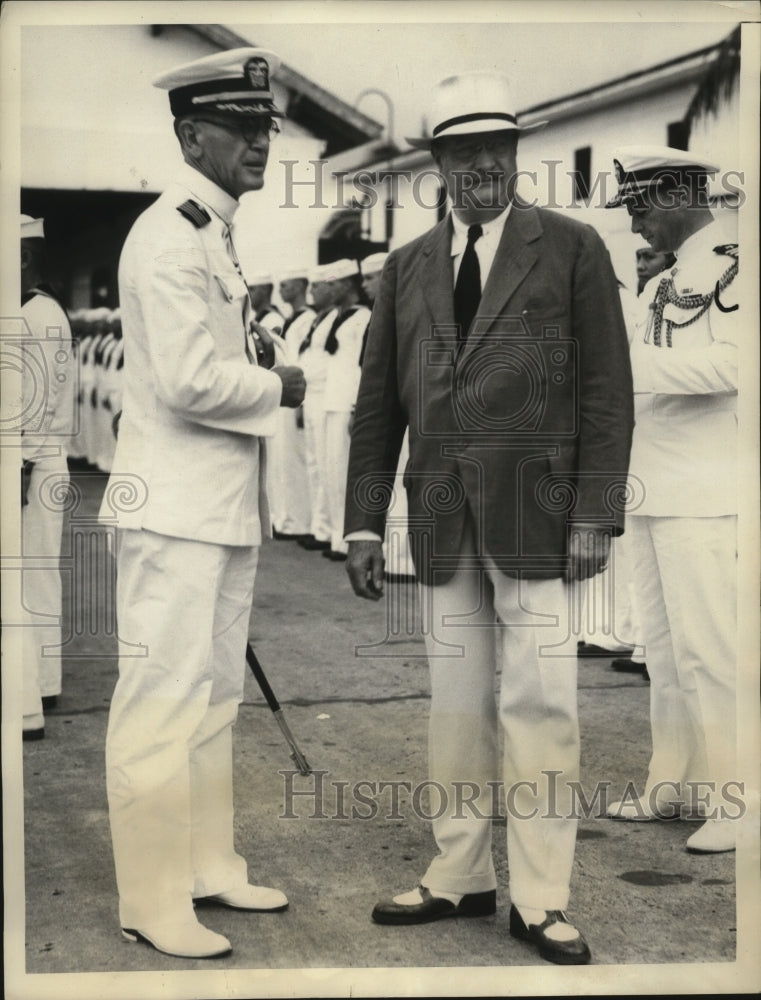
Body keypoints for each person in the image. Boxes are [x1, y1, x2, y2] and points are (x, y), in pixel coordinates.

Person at [344, 72, 633, 965]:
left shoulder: (574, 248)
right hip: (437, 516)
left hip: (542, 517)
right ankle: (458, 873)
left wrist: (595, 513)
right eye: (466, 151)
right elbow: (376, 403)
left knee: (541, 703)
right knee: (455, 705)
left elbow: (606, 390)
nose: (485, 165)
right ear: (437, 163)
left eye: (499, 148)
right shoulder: (405, 267)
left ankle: (541, 899)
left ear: (516, 155)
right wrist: (360, 522)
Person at [99, 47, 306, 959]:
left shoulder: (209, 231)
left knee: (215, 697)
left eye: (265, 127)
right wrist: (280, 385)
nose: (260, 142)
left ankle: (207, 862)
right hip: (173, 511)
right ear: (191, 134)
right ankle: (150, 897)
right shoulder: (166, 236)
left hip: (218, 509)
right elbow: (188, 383)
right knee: (162, 700)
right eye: (241, 127)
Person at [603, 147, 739, 855]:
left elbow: (730, 366)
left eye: (639, 205)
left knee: (712, 650)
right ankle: (673, 782)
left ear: (681, 191)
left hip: (708, 492)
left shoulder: (734, 263)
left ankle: (737, 799)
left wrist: (625, 365)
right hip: (654, 486)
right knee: (661, 648)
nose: (633, 224)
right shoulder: (665, 280)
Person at [20, 215, 75, 739]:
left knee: (32, 573)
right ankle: (38, 681)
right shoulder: (35, 310)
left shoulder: (40, 314)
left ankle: (36, 686)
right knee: (32, 575)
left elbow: (37, 400)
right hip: (35, 459)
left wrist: (20, 462)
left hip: (35, 462)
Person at [361, 252, 415, 581]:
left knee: (403, 484)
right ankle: (395, 557)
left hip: (407, 410)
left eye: (371, 278)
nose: (366, 285)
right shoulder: (374, 315)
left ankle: (405, 559)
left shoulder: (405, 311)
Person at [320, 259, 371, 561]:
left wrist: (356, 406)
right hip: (331, 400)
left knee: (344, 472)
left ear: (349, 284)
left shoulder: (362, 317)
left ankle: (346, 539)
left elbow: (362, 367)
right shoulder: (339, 317)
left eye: (334, 283)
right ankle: (337, 537)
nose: (329, 288)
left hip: (346, 402)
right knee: (332, 471)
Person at [268, 265, 316, 539]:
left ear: (299, 286)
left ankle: (299, 521)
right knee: (282, 460)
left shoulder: (307, 318)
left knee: (295, 460)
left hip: (296, 393)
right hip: (282, 392)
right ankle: (285, 517)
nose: (282, 291)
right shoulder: (290, 318)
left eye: (286, 285)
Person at [297, 265, 338, 552]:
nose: (313, 292)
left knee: (329, 464)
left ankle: (329, 529)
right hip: (311, 395)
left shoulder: (339, 317)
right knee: (315, 464)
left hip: (328, 396)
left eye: (318, 286)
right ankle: (320, 526)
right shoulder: (321, 319)